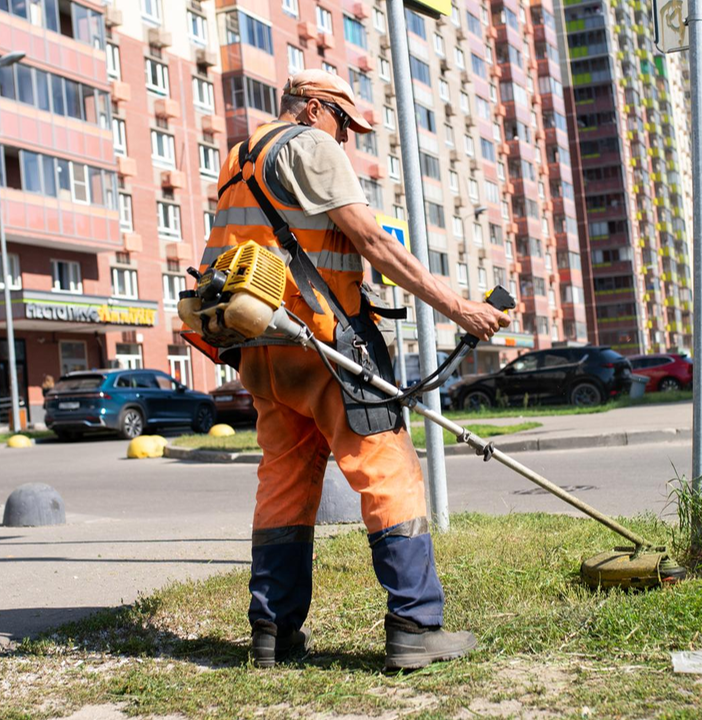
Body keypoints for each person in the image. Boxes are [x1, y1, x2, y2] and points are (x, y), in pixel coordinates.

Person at [193, 70, 510, 671]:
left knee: (284, 484)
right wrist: (459, 307)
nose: (347, 142)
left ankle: (273, 632)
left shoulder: (238, 160)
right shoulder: (309, 145)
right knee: (387, 470)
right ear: (314, 108)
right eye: (344, 124)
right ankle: (416, 625)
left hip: (261, 346)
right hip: (324, 345)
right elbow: (373, 242)